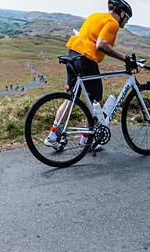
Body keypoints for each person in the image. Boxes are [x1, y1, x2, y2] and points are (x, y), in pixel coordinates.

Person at [45, 0, 135, 149]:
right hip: (86, 61)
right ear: (122, 14)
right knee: (97, 103)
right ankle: (86, 141)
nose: (126, 22)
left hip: (72, 56)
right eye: (128, 18)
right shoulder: (112, 23)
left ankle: (52, 136)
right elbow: (101, 44)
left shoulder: (95, 16)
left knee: (70, 99)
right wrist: (126, 58)